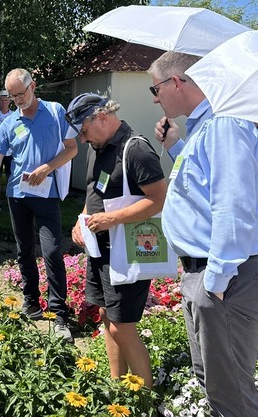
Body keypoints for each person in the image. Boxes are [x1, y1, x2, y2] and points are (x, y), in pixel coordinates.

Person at [148, 51, 258, 417]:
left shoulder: (223, 124)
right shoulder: (208, 126)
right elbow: (202, 187)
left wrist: (216, 282)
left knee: (233, 397)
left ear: (176, 82)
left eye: (155, 89)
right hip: (209, 274)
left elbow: (233, 206)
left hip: (225, 276)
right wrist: (175, 146)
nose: (155, 99)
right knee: (217, 387)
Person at [0, 68, 78, 342]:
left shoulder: (55, 112)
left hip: (47, 194)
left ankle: (59, 315)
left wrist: (47, 168)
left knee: (52, 251)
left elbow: (72, 148)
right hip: (17, 195)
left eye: (20, 93)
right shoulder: (9, 123)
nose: (17, 100)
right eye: (12, 96)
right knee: (24, 251)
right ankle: (31, 303)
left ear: (33, 86)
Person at [68, 93, 166, 388]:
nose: (82, 139)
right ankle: (117, 388)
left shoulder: (136, 149)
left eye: (83, 130)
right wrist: (81, 219)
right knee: (106, 316)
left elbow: (159, 199)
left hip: (126, 252)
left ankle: (144, 395)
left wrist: (112, 219)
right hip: (101, 249)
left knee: (122, 326)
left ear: (101, 117)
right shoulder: (97, 148)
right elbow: (95, 193)